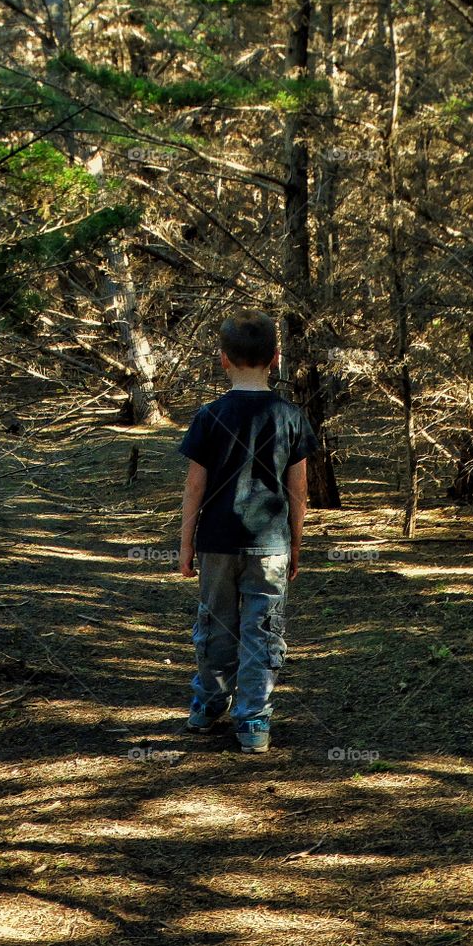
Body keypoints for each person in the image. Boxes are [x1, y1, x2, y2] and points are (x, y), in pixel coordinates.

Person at [177, 309, 319, 753]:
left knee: (215, 624)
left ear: (223, 359)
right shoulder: (290, 415)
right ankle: (253, 721)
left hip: (216, 542)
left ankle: (208, 705)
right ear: (275, 358)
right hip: (271, 545)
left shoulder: (208, 415)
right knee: (263, 628)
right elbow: (299, 490)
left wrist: (185, 543)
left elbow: (193, 487)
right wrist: (296, 543)